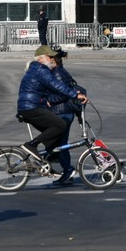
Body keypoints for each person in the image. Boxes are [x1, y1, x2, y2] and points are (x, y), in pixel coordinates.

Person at [17, 45, 86, 163]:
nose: (52, 59)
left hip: (29, 107)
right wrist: (75, 95)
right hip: (31, 108)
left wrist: (45, 101)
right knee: (60, 125)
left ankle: (48, 163)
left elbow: (37, 91)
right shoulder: (41, 69)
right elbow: (55, 85)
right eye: (49, 57)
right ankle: (31, 145)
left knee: (53, 134)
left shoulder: (35, 69)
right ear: (40, 59)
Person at [46, 48, 83, 185]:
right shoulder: (59, 71)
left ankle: (67, 169)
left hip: (62, 112)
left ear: (53, 61)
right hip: (64, 112)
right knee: (60, 143)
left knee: (60, 143)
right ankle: (63, 166)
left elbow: (62, 94)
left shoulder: (57, 74)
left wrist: (48, 99)